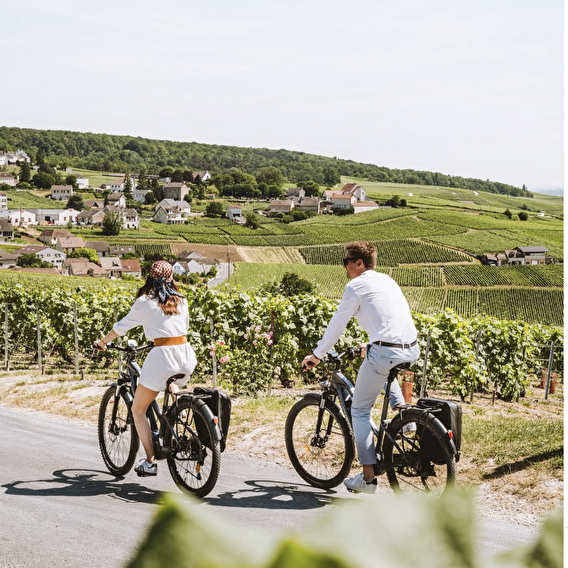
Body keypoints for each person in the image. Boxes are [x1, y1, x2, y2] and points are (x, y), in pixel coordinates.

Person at [302, 241, 419, 494]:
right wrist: (373, 341)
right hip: (411, 348)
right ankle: (406, 421)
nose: (344, 266)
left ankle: (368, 479)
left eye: (346, 261)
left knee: (360, 410)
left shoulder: (355, 285)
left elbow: (337, 324)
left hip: (385, 351)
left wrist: (317, 355)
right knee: (384, 368)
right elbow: (390, 318)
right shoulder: (387, 280)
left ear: (359, 263)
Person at [95, 260, 197, 477]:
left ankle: (150, 461)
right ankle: (175, 416)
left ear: (150, 277)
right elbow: (182, 327)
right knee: (172, 382)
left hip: (163, 357)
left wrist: (103, 342)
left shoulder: (145, 302)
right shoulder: (182, 300)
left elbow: (121, 327)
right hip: (186, 355)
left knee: (138, 409)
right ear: (171, 278)